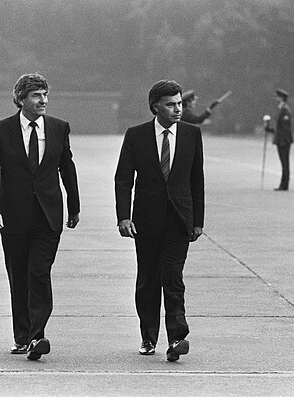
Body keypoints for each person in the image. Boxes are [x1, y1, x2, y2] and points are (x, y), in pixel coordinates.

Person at [0, 73, 80, 361]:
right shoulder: (0, 130)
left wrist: (73, 206)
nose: (43, 100)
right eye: (37, 95)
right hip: (12, 216)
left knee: (39, 272)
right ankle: (21, 336)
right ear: (21, 99)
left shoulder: (59, 128)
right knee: (18, 277)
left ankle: (38, 335)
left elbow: (67, 168)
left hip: (48, 216)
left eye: (45, 95)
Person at [114, 80, 204, 362]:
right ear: (156, 107)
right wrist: (123, 216)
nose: (178, 109)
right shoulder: (136, 135)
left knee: (173, 278)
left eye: (179, 103)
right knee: (149, 279)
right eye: (171, 104)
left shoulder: (191, 134)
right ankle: (148, 336)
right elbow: (123, 179)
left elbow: (196, 179)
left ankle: (177, 337)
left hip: (179, 220)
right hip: (146, 221)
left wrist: (198, 220)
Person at [264, 89, 293, 191]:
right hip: (281, 139)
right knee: (283, 162)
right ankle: (283, 183)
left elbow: (285, 128)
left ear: (281, 98)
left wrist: (283, 140)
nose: (276, 99)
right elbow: (278, 128)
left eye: (278, 97)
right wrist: (269, 129)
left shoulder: (285, 110)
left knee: (285, 163)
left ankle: (284, 184)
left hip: (284, 141)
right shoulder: (281, 109)